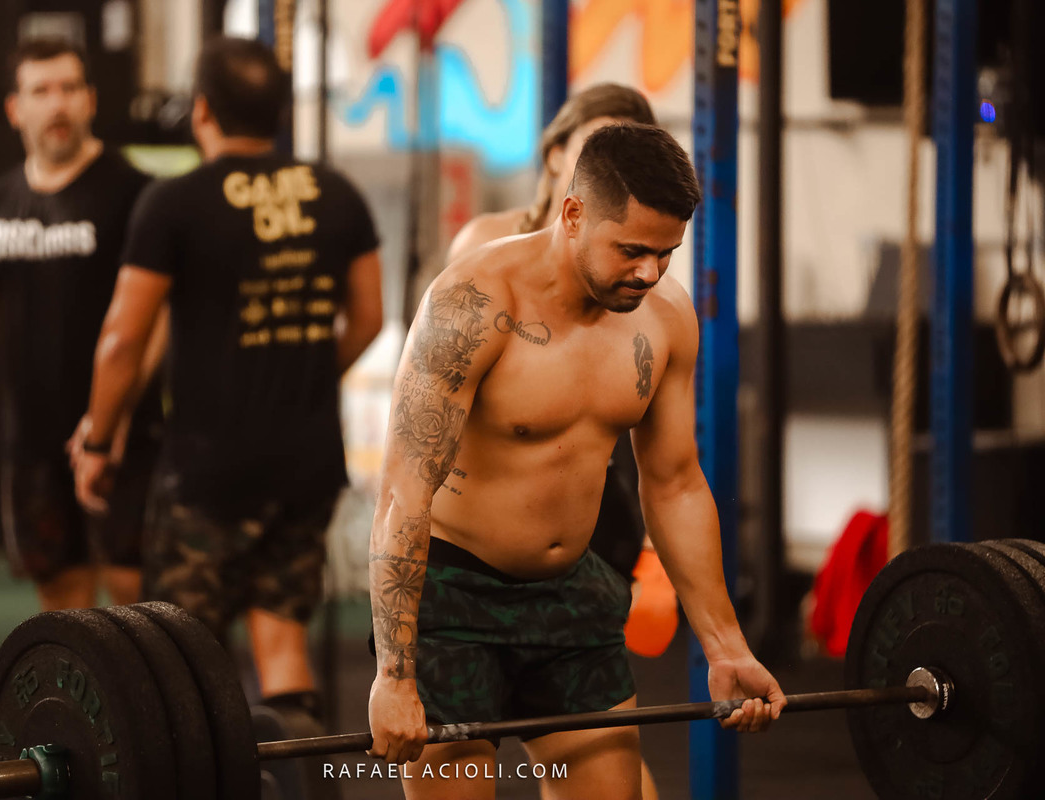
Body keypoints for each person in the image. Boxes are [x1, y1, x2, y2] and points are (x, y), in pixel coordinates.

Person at [367, 123, 785, 799]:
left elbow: (675, 484)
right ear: (572, 214)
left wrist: (727, 646)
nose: (649, 272)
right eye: (632, 251)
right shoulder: (473, 304)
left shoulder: (665, 318)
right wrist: (394, 673)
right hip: (451, 598)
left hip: (570, 594)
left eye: (666, 253)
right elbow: (403, 494)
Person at [72, 37, 384, 729]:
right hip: (305, 465)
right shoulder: (335, 194)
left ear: (202, 111)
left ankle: (206, 772)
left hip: (207, 472)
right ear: (278, 112)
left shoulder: (175, 202)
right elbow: (369, 317)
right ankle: (297, 774)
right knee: (282, 638)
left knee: (183, 657)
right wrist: (308, 374)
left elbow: (122, 337)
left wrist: (97, 439)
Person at [0, 38, 162, 611]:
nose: (57, 104)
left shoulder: (136, 195)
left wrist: (111, 417)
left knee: (138, 605)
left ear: (91, 99)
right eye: (40, 91)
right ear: (15, 109)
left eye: (69, 88)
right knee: (65, 613)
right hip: (33, 445)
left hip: (124, 440)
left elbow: (157, 320)